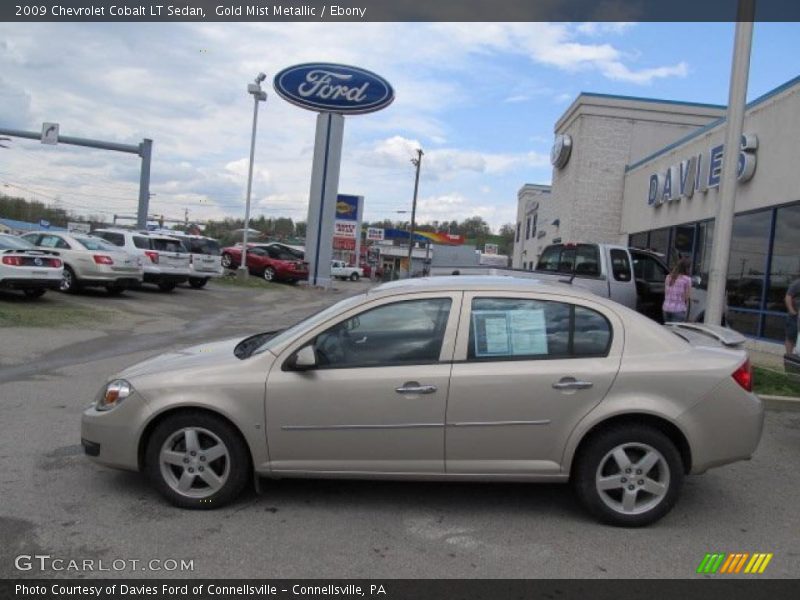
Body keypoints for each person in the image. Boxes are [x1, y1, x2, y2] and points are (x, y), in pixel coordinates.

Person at [662, 258, 692, 323]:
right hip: (678, 309)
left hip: (666, 308)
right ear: (687, 268)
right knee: (675, 331)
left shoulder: (668, 277)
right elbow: (686, 297)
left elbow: (666, 293)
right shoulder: (687, 280)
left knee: (666, 330)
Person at [785, 278, 800, 355]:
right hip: (795, 317)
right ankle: (789, 356)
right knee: (791, 337)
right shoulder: (797, 283)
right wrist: (792, 311)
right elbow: (788, 296)